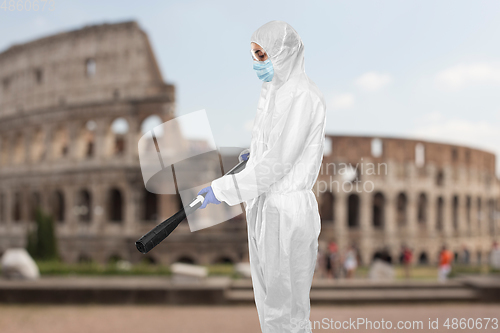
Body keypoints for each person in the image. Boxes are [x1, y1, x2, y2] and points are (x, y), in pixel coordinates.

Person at [198, 21, 326, 332]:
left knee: (286, 311)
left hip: (285, 211)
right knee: (271, 309)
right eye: (254, 56)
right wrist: (254, 154)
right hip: (267, 207)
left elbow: (278, 163)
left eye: (262, 55)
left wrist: (224, 189)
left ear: (282, 54)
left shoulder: (302, 96)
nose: (257, 63)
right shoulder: (276, 92)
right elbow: (272, 149)